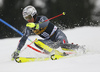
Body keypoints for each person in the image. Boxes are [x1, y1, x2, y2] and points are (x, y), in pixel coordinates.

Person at [12, 5, 78, 59]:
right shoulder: (29, 27)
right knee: (37, 42)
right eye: (25, 18)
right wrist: (17, 51)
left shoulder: (42, 18)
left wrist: (35, 25)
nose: (28, 20)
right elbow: (24, 38)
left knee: (64, 46)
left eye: (29, 17)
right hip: (50, 41)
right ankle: (53, 52)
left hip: (58, 35)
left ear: (34, 15)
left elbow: (44, 24)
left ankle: (79, 48)